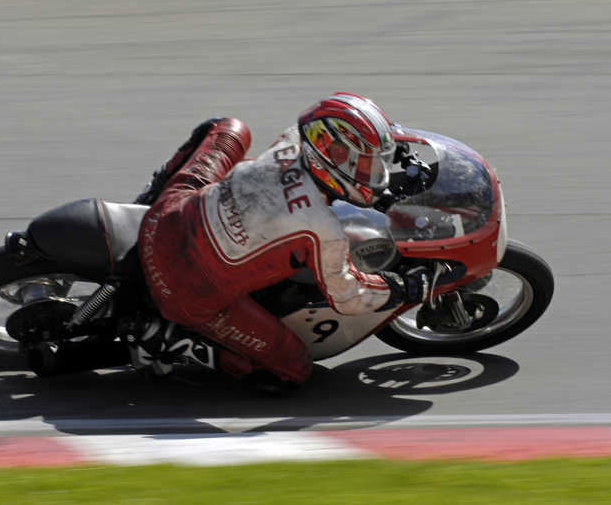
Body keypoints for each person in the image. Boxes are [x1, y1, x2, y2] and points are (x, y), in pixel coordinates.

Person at [122, 93, 430, 397]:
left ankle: (144, 201)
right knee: (293, 370)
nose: (374, 173)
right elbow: (348, 297)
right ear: (335, 155)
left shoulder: (294, 142)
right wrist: (402, 289)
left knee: (229, 128)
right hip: (184, 291)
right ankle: (167, 338)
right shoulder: (322, 229)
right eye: (367, 163)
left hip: (162, 217)